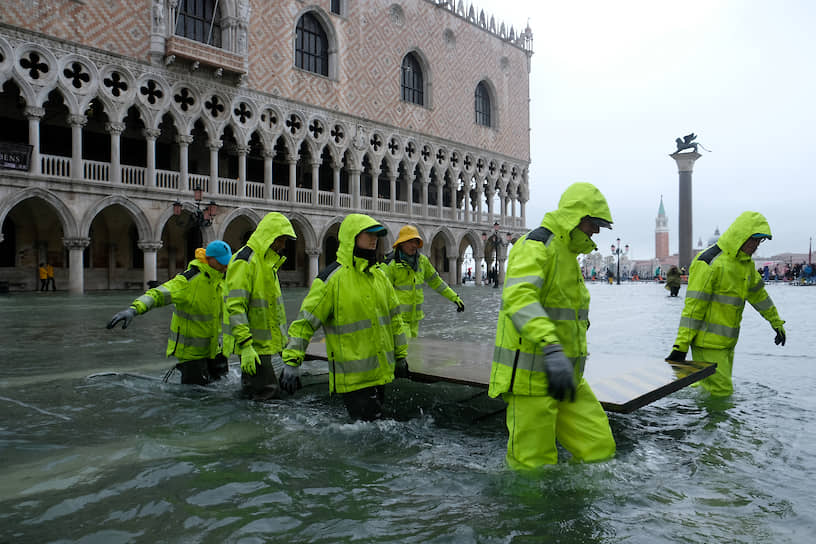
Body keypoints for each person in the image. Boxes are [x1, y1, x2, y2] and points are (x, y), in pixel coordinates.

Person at [488, 182, 616, 470]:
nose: (595, 231)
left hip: (567, 377)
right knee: (532, 466)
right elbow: (519, 298)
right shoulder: (537, 245)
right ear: (576, 217)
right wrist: (552, 345)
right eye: (593, 224)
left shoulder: (568, 255)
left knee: (599, 447)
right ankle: (530, 514)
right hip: (530, 378)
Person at [282, 213, 408, 421]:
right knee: (372, 431)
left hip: (381, 373)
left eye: (376, 235)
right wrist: (291, 362)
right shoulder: (331, 280)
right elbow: (305, 322)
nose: (374, 239)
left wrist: (401, 355)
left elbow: (395, 319)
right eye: (368, 234)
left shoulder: (379, 277)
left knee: (376, 430)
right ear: (353, 236)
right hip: (353, 378)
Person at [666, 211, 786, 397]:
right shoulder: (709, 262)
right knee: (721, 394)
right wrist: (680, 346)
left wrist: (776, 323)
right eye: (753, 240)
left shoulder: (744, 264)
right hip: (707, 344)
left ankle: (690, 415)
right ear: (742, 235)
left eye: (759, 241)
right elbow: (693, 308)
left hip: (727, 343)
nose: (755, 246)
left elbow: (760, 296)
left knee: (708, 390)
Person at [106, 240, 233, 385]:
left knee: (223, 385)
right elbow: (158, 295)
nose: (226, 266)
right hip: (191, 353)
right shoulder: (188, 280)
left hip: (215, 349)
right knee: (195, 398)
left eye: (227, 261)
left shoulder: (222, 279)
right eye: (222, 262)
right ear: (209, 259)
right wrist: (133, 310)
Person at [223, 212, 296, 400]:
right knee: (267, 394)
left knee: (257, 394)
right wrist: (246, 345)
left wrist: (283, 344)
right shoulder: (245, 261)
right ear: (269, 235)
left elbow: (274, 309)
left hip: (265, 344)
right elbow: (235, 306)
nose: (282, 245)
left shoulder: (268, 264)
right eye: (280, 239)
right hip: (253, 345)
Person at [381, 224, 464, 338]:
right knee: (406, 347)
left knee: (414, 351)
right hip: (397, 317)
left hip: (415, 318)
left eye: (416, 242)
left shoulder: (422, 261)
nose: (414, 245)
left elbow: (437, 282)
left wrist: (454, 297)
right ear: (402, 243)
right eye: (410, 241)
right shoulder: (390, 264)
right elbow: (381, 290)